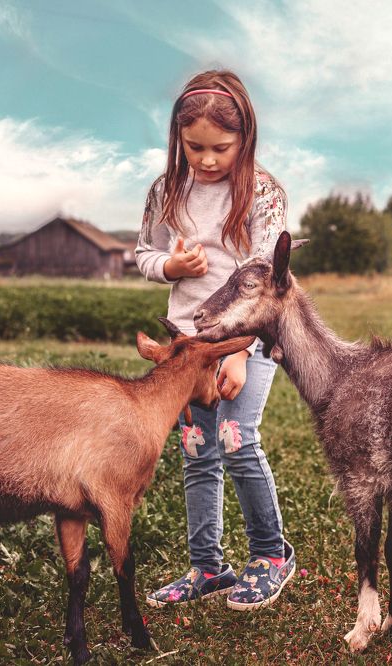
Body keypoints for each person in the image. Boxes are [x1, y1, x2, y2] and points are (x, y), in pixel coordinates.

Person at [135, 69, 294, 611]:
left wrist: (244, 352)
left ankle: (271, 554)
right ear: (177, 139)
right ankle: (207, 567)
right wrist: (170, 265)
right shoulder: (165, 191)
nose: (206, 160)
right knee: (197, 449)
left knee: (235, 438)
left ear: (244, 137)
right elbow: (143, 255)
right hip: (186, 344)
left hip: (246, 340)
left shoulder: (262, 193)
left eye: (220, 148)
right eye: (193, 146)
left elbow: (266, 276)